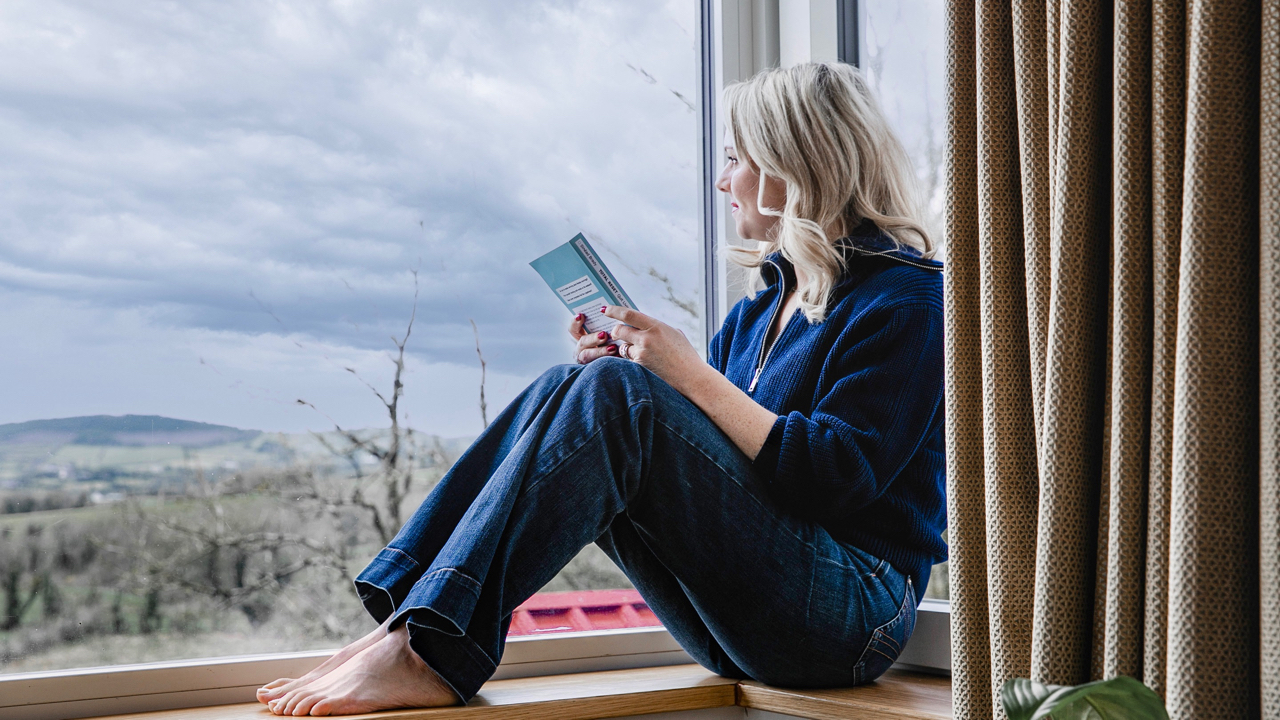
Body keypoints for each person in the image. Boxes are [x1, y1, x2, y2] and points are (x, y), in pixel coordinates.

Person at [256, 61, 946, 717]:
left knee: (620, 394)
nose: (721, 181)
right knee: (577, 383)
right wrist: (626, 379)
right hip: (735, 620)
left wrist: (681, 377)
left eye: (735, 158)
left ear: (793, 162)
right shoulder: (761, 310)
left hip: (850, 620)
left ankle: (429, 653)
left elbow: (831, 480)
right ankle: (408, 627)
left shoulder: (908, 299)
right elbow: (716, 465)